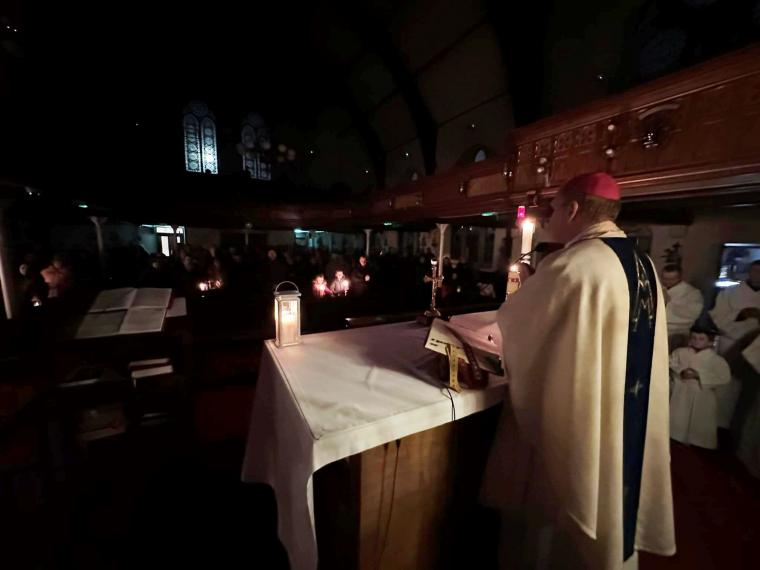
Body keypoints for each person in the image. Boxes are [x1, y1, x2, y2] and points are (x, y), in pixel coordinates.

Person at [483, 172, 675, 569]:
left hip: (582, 419)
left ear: (572, 209)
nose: (549, 217)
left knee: (555, 524)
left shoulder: (573, 264)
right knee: (614, 487)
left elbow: (516, 326)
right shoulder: (642, 264)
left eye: (553, 209)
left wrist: (526, 292)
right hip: (626, 415)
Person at [708, 260, 760, 431]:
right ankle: (718, 424)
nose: (757, 275)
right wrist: (741, 314)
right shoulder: (731, 292)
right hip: (731, 343)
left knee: (748, 393)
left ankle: (740, 427)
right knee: (726, 387)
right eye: (754, 271)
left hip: (756, 347)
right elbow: (717, 316)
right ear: (749, 272)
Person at [669, 325, 730, 449]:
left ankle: (696, 441)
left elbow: (724, 377)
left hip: (702, 393)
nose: (696, 341)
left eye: (701, 339)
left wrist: (699, 375)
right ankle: (675, 435)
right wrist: (680, 370)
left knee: (698, 420)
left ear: (710, 341)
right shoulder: (681, 352)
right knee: (678, 416)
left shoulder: (716, 360)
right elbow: (670, 362)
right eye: (694, 338)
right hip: (681, 390)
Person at [661, 264, 703, 349]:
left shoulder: (692, 292)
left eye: (671, 279)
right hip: (657, 329)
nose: (667, 282)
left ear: (680, 277)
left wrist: (669, 302)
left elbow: (693, 313)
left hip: (677, 333)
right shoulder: (659, 288)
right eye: (665, 278)